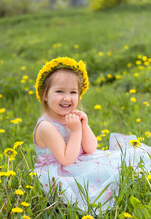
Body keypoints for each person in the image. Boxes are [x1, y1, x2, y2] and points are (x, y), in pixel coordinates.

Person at [33, 57, 151, 215]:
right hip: (61, 172)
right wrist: (75, 131)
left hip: (80, 162)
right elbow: (67, 160)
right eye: (60, 91)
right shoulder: (46, 126)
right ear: (45, 95)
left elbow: (90, 148)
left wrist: (84, 125)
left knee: (133, 155)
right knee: (105, 175)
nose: (67, 97)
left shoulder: (71, 116)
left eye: (73, 92)